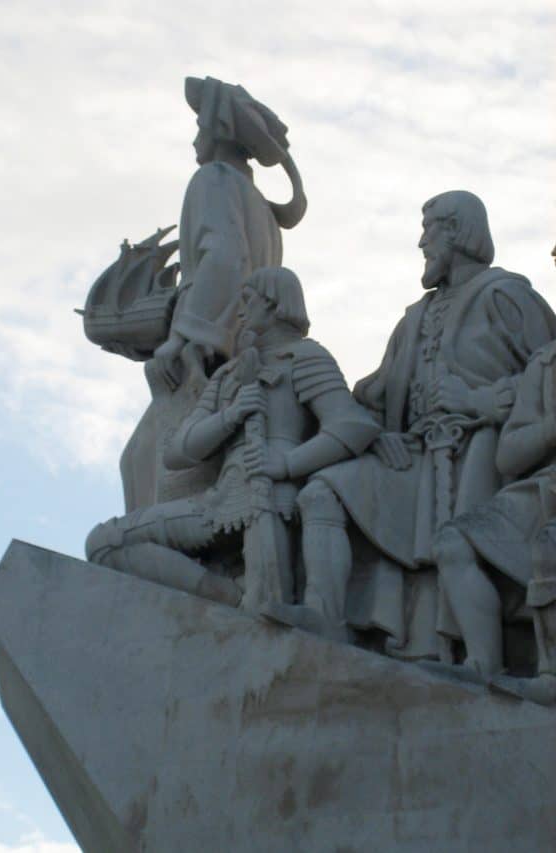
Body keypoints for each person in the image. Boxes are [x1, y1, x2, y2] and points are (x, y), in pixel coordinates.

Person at [272, 193, 556, 658]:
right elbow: (374, 395)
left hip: (480, 455)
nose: (422, 242)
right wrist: (378, 434)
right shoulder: (414, 318)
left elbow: (548, 375)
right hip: (413, 455)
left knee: (460, 552)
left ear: (458, 231)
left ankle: (482, 662)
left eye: (430, 230)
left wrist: (481, 401)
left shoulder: (506, 295)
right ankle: (325, 617)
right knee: (322, 491)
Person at [86, 267, 379, 616]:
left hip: (275, 495)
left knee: (267, 609)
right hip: (221, 500)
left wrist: (287, 464)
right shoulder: (228, 375)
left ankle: (256, 602)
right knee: (105, 542)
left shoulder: (304, 357)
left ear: (273, 304)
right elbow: (179, 452)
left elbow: (351, 427)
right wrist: (231, 415)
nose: (239, 311)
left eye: (247, 301)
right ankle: (229, 598)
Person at [432, 241, 556, 701]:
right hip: (541, 489)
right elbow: (511, 455)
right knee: (452, 540)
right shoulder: (546, 363)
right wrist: (549, 429)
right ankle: (485, 663)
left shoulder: (505, 298)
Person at [154, 76, 307, 386]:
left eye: (200, 128)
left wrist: (189, 336)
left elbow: (225, 257)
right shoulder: (261, 206)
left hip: (207, 347)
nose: (195, 141)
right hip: (243, 344)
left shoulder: (214, 177)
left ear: (218, 131)